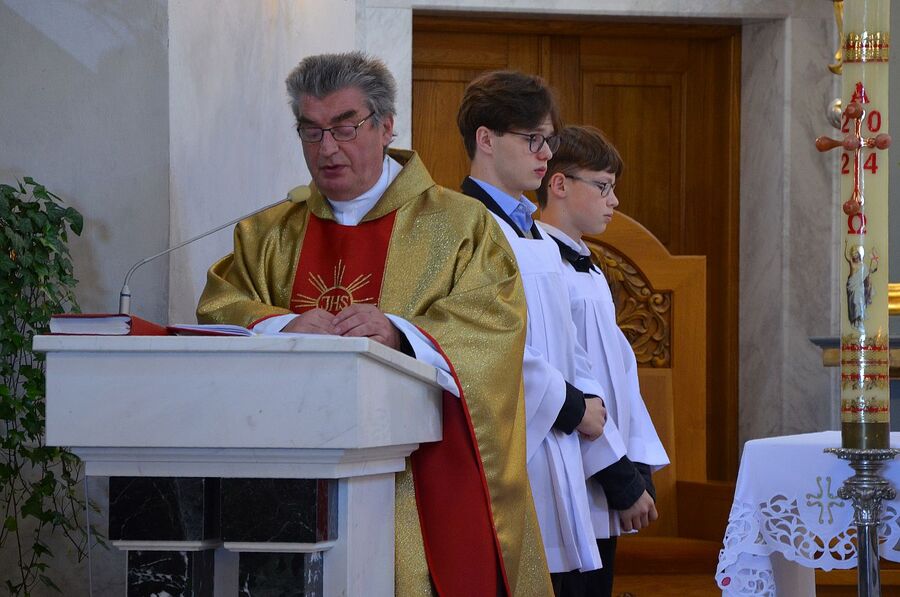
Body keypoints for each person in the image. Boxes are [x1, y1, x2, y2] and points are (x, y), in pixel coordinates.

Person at [197, 52, 551, 596]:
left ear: (387, 127)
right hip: (290, 482)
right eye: (310, 132)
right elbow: (221, 306)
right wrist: (280, 325)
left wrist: (400, 333)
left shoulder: (461, 224)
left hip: (421, 485)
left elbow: (496, 324)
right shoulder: (267, 234)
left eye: (344, 127)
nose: (327, 148)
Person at [456, 70, 616, 596]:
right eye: (532, 139)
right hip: (510, 449)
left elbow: (568, 340)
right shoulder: (464, 227)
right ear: (485, 139)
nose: (546, 153)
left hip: (560, 443)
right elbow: (483, 345)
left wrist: (589, 400)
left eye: (547, 139)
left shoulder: (535, 232)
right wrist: (572, 406)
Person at [536, 125, 670, 597]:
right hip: (574, 471)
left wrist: (639, 472)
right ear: (559, 184)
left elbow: (620, 377)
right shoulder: (541, 264)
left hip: (608, 471)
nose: (614, 201)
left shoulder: (587, 265)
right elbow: (568, 382)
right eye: (604, 186)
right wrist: (619, 479)